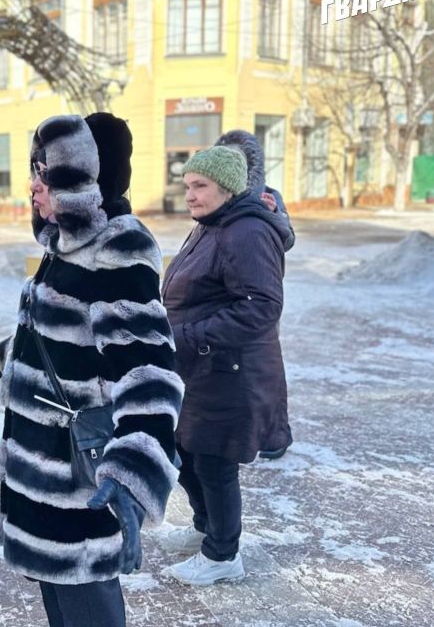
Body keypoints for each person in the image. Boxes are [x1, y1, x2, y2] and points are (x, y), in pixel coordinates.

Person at [0, 114, 183, 627]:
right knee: (58, 597)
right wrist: (6, 356)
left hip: (77, 480)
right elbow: (64, 331)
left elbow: (149, 374)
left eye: (47, 173)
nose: (33, 186)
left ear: (88, 177)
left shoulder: (116, 249)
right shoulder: (65, 243)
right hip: (39, 466)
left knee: (86, 600)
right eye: (35, 170)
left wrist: (134, 475)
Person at [158, 145, 291, 586]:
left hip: (231, 371)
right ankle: (205, 528)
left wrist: (190, 338)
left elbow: (261, 306)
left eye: (200, 186)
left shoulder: (246, 232)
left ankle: (222, 554)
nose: (190, 195)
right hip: (201, 370)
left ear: (227, 188)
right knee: (185, 453)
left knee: (213, 463)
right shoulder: (211, 225)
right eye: (187, 186)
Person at [214, 129, 295, 459]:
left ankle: (275, 436)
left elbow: (287, 238)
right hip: (234, 294)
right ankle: (248, 432)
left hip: (259, 294)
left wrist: (269, 212)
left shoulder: (267, 197)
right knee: (241, 369)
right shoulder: (225, 197)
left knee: (263, 369)